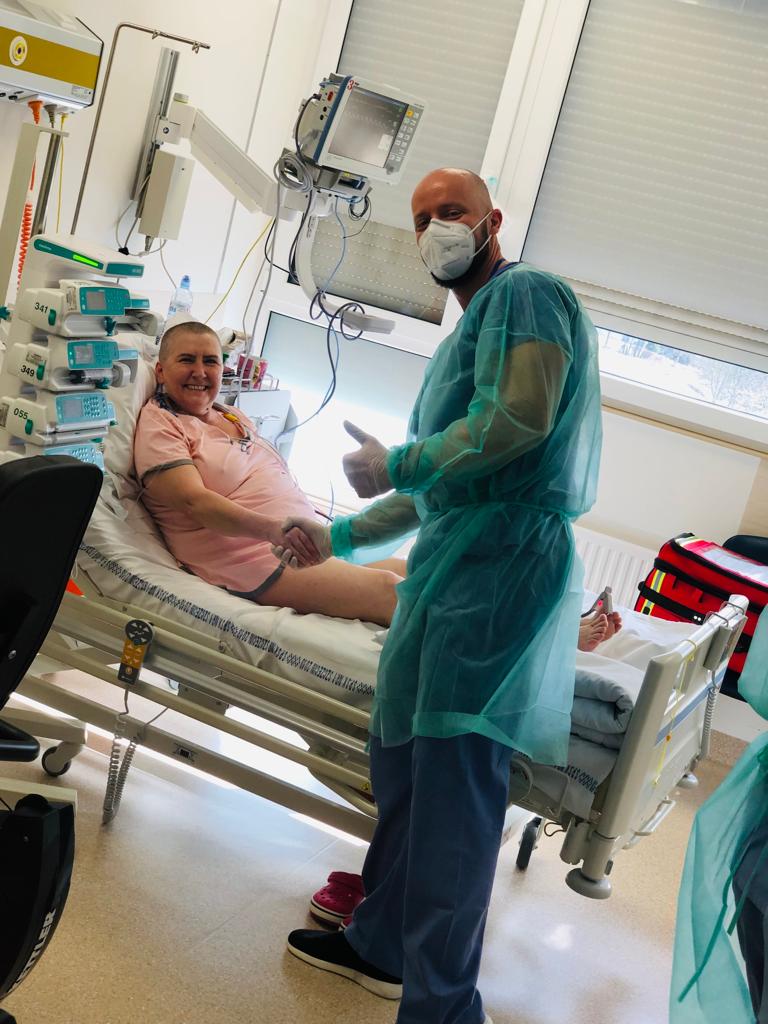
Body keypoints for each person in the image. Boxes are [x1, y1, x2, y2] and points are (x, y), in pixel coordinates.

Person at [276, 167, 603, 1023]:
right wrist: (339, 536)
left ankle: (443, 1007)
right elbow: (442, 487)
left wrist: (398, 460)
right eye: (422, 219)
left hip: (498, 569)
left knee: (455, 792)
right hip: (454, 562)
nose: (436, 231)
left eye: (451, 212)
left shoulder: (526, 295)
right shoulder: (473, 328)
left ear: (493, 220)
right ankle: (381, 945)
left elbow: (517, 422)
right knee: (408, 774)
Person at [133, 319, 407, 626]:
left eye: (210, 361)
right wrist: (274, 531)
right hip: (257, 557)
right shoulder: (161, 425)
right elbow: (194, 502)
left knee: (416, 569)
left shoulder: (231, 414)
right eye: (187, 360)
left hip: (301, 542)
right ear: (160, 371)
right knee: (392, 591)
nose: (200, 372)